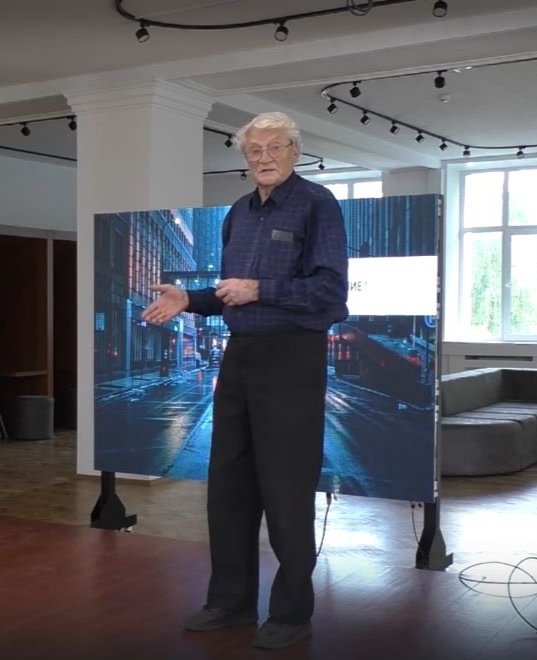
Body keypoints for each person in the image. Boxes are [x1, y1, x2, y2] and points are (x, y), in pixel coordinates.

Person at [142, 112, 348, 650]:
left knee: (286, 489)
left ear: (294, 151)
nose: (264, 157)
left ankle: (291, 614)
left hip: (292, 357)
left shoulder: (318, 204)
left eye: (275, 147)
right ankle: (230, 602)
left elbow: (331, 293)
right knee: (228, 488)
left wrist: (262, 289)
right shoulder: (238, 212)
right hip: (240, 357)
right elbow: (231, 293)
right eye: (254, 149)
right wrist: (191, 299)